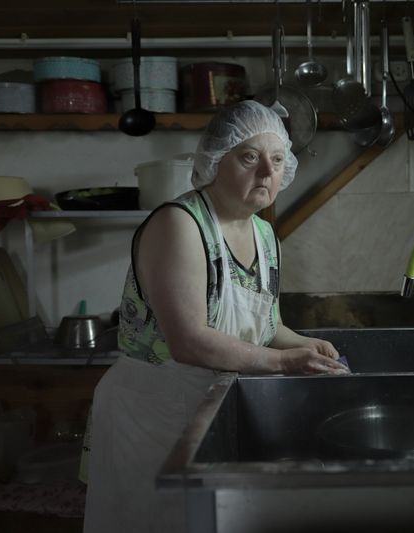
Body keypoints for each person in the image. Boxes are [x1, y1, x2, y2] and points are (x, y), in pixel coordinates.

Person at [83, 100, 348, 533]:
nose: (266, 173)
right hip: (154, 412)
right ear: (214, 161)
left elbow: (266, 326)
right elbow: (189, 340)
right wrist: (283, 363)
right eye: (249, 157)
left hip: (212, 406)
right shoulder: (180, 224)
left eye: (277, 160)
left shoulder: (265, 234)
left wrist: (302, 344)